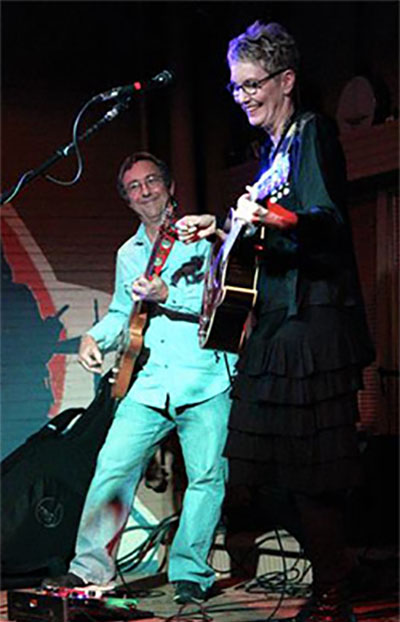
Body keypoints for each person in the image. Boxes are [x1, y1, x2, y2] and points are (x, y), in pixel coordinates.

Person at [175, 21, 375, 622]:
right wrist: (223, 226)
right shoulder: (273, 149)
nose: (242, 98)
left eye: (252, 84)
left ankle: (334, 588)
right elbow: (264, 231)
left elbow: (326, 222)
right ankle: (338, 567)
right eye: (235, 89)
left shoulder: (313, 133)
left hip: (309, 327)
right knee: (263, 471)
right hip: (277, 323)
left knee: (310, 472)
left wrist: (275, 219)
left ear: (286, 80)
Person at [42, 152, 237, 605]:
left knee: (207, 477)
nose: (145, 190)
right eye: (134, 186)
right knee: (112, 467)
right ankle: (91, 569)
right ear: (127, 200)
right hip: (151, 383)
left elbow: (224, 302)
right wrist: (94, 338)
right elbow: (120, 313)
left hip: (206, 377)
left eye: (152, 181)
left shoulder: (200, 237)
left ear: (169, 187)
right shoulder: (128, 254)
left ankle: (192, 573)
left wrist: (168, 293)